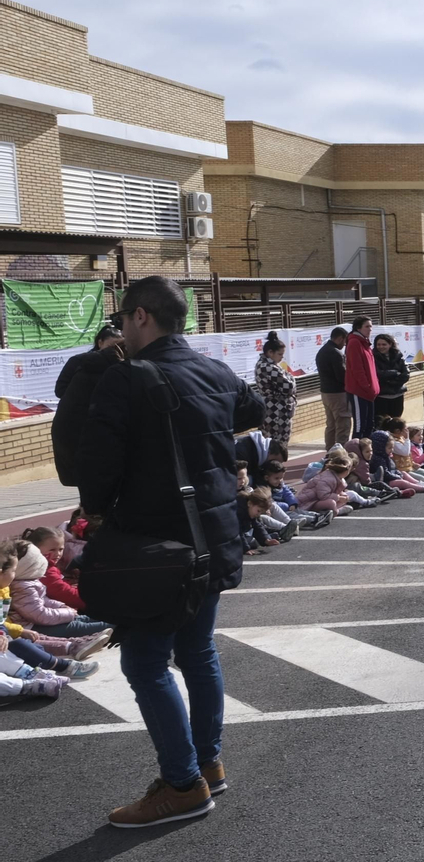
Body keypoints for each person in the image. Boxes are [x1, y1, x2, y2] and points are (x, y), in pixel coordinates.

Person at [76, 275, 265, 826]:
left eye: (121, 318)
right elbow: (251, 411)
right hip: (214, 538)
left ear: (141, 317)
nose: (118, 330)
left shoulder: (126, 379)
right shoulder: (212, 368)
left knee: (144, 662)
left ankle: (182, 785)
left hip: (155, 547)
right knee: (199, 652)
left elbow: (95, 471)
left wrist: (98, 511)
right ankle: (208, 765)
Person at [53, 324, 125, 487]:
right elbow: (60, 390)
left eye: (119, 346)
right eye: (112, 345)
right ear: (100, 342)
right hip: (80, 429)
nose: (116, 350)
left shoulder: (121, 365)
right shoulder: (81, 362)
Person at [254, 331, 296, 444]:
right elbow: (289, 387)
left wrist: (289, 377)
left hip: (276, 408)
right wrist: (291, 378)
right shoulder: (267, 367)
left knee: (272, 440)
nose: (282, 358)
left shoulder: (266, 365)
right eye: (280, 354)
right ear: (270, 352)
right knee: (277, 442)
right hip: (276, 411)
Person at [316, 326, 351, 450]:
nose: (345, 344)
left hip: (325, 392)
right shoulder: (336, 353)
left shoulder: (322, 351)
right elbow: (342, 376)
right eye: (345, 341)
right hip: (338, 393)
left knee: (331, 425)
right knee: (343, 424)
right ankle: (340, 454)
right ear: (340, 338)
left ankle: (330, 452)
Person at [343, 317, 378, 439]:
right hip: (359, 391)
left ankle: (367, 453)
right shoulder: (354, 343)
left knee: (369, 424)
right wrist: (366, 385)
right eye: (367, 326)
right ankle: (356, 453)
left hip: (369, 392)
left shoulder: (365, 343)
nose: (370, 329)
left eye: (371, 326)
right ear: (358, 328)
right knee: (360, 426)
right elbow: (357, 368)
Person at [372, 333, 410, 420]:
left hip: (398, 395)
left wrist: (391, 381)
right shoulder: (372, 357)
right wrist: (394, 373)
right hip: (381, 397)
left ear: (390, 344)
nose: (381, 347)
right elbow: (377, 374)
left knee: (396, 424)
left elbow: (405, 375)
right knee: (381, 423)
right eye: (378, 344)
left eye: (384, 344)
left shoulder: (399, 356)